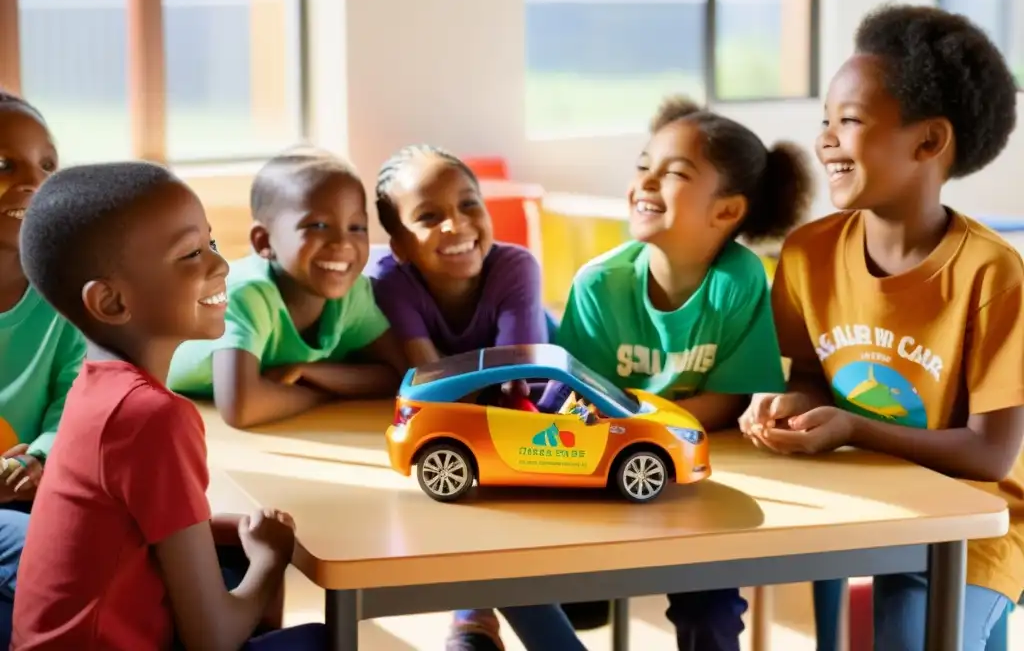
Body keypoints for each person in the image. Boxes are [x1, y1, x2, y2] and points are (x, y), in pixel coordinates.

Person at [739, 4, 1023, 650]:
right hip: (859, 503)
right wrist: (785, 407)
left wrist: (854, 427)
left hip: (974, 525)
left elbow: (991, 455)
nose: (827, 140)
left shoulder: (991, 273)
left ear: (928, 142)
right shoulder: (808, 252)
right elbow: (810, 376)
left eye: (851, 121)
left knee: (911, 635)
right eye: (825, 121)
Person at [11, 161, 326, 650]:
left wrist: (225, 532)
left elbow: (133, 528)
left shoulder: (93, 389)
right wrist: (271, 557)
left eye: (212, 244)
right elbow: (212, 639)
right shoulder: (153, 417)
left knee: (236, 559)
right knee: (322, 639)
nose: (221, 266)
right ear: (112, 302)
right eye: (190, 254)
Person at [551, 95, 814, 651]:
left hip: (699, 482)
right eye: (644, 166)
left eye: (672, 174)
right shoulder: (599, 284)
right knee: (547, 593)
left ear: (726, 212)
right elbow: (574, 398)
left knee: (711, 610)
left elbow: (732, 399)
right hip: (598, 472)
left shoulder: (738, 281)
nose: (645, 183)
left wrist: (644, 432)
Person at [369, 144, 584, 651]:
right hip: (485, 413)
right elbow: (429, 384)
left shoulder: (515, 266)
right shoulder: (390, 281)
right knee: (462, 479)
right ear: (399, 244)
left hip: (548, 402)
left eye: (469, 204)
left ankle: (474, 616)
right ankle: (474, 617)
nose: (456, 225)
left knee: (493, 481)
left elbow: (521, 383)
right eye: (428, 216)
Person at [168, 147, 405, 428]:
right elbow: (241, 408)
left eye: (356, 228)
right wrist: (320, 395)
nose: (342, 243)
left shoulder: (352, 292)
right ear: (264, 242)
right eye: (318, 225)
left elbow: (398, 375)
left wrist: (309, 372)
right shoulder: (247, 295)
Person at [0, 90, 85, 642]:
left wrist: (37, 456)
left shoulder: (66, 293)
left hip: (38, 487)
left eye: (47, 165)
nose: (33, 181)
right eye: (4, 164)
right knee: (45, 553)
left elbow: (75, 398)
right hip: (21, 518)